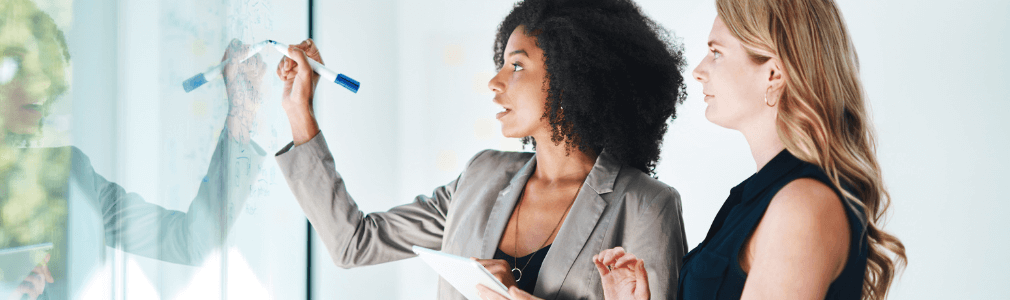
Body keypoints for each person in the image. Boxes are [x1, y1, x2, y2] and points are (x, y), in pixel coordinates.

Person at [272, 0, 689, 299]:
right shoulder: (481, 176)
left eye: (517, 65)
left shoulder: (646, 206)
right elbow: (354, 242)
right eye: (501, 63)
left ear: (574, 76)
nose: (495, 82)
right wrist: (298, 110)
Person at [533, 0, 909, 300]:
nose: (698, 70)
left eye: (716, 52)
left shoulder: (802, 206)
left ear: (773, 74)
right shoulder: (757, 198)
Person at [0, 0, 269, 298]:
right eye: (19, 65)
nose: (39, 85)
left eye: (47, 71)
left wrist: (240, 117)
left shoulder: (69, 175)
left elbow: (194, 243)